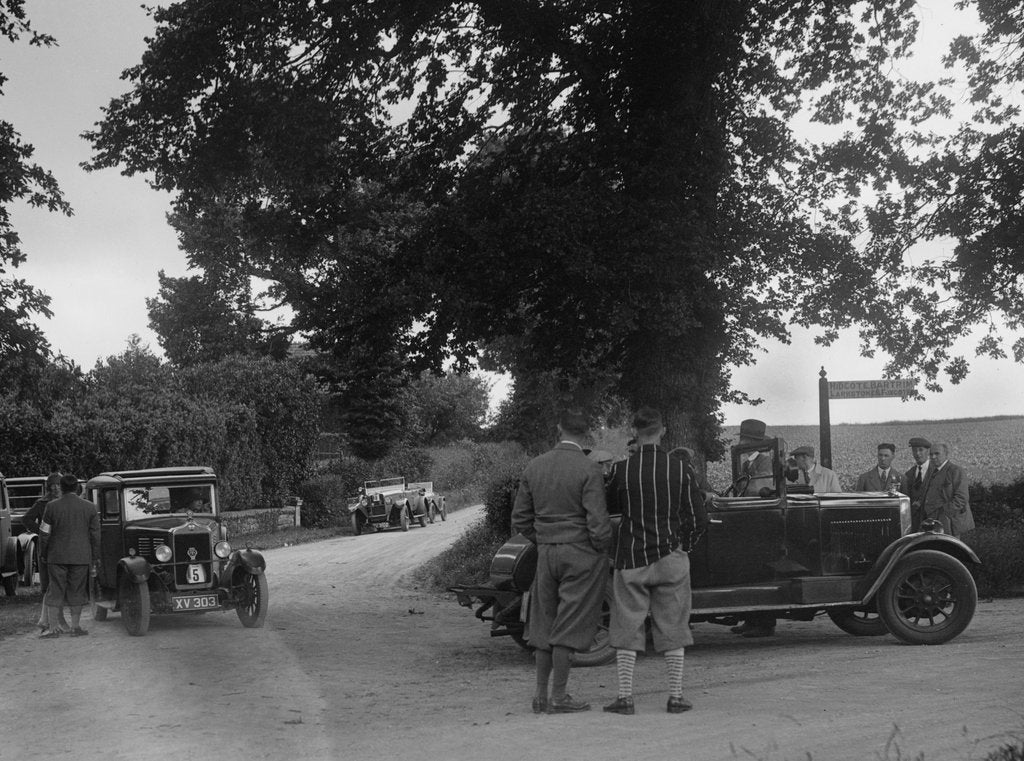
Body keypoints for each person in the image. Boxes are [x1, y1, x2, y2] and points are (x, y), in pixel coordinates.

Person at [603, 407, 705, 715]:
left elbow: (609, 509)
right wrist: (683, 545)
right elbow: (698, 518)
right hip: (670, 556)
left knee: (627, 626)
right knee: (673, 625)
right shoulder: (680, 469)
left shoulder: (621, 471)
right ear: (662, 431)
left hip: (632, 557)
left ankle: (625, 698)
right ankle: (675, 697)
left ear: (635, 431)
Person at [511, 410, 612, 714]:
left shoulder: (535, 466)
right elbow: (598, 523)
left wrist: (544, 538)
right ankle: (559, 696)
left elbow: (520, 519)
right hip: (580, 554)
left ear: (559, 429)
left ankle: (540, 696)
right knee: (569, 625)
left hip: (547, 552)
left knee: (542, 624)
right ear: (587, 434)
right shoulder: (589, 469)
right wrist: (598, 548)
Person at [38, 474, 100, 639]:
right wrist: (94, 558)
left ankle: (53, 629)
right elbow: (95, 536)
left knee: (54, 590)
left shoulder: (51, 507)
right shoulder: (90, 508)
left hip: (56, 556)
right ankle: (75, 627)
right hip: (80, 557)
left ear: (62, 487)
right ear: (77, 488)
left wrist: (43, 554)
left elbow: (44, 534)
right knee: (77, 591)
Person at [21, 473, 70, 633]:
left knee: (60, 586)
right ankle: (55, 622)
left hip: (65, 548)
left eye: (58, 484)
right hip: (48, 549)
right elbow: (26, 519)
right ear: (48, 487)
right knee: (51, 585)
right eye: (52, 485)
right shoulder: (42, 503)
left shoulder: (68, 500)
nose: (56, 488)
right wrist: (42, 531)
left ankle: (46, 621)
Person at [921, 442, 975, 536]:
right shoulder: (932, 472)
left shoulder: (956, 471)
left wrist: (943, 513)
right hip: (935, 523)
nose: (933, 457)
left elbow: (961, 498)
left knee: (952, 549)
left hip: (951, 523)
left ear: (946, 454)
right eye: (931, 454)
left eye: (937, 453)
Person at [899, 437, 933, 531]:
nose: (917, 454)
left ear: (928, 451)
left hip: (934, 520)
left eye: (921, 450)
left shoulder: (936, 471)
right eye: (914, 450)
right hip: (916, 523)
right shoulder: (909, 474)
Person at [736, 419, 774, 496]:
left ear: (750, 442)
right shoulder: (745, 464)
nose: (739, 443)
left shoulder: (765, 460)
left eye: (742, 439)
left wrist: (742, 484)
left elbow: (762, 483)